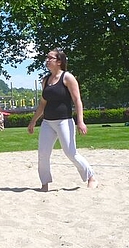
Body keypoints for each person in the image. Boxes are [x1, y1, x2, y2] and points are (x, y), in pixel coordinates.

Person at [27, 48, 98, 192]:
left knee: (70, 152)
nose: (47, 60)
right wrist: (33, 120)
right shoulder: (45, 80)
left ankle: (91, 177)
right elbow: (42, 103)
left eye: (50, 58)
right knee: (43, 154)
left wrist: (80, 121)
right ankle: (44, 184)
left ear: (59, 61)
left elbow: (77, 99)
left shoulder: (67, 77)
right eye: (47, 58)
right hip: (47, 122)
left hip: (64, 121)